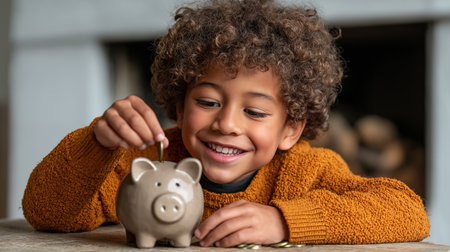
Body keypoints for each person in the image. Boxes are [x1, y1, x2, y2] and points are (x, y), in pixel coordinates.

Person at [22, 0, 429, 248]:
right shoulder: (145, 162)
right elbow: (47, 213)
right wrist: (96, 142)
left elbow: (409, 212)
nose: (227, 124)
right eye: (208, 102)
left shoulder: (306, 172)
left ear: (290, 129)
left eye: (254, 111)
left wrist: (284, 221)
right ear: (179, 107)